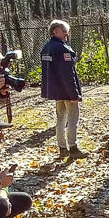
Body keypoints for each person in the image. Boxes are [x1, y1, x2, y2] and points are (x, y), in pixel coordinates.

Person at [40, 19, 87, 159]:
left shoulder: (46, 48)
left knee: (60, 119)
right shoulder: (62, 49)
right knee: (72, 118)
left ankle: (62, 148)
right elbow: (67, 74)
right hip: (66, 90)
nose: (67, 34)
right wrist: (74, 94)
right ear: (55, 32)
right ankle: (73, 147)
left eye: (67, 31)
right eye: (64, 31)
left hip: (56, 91)